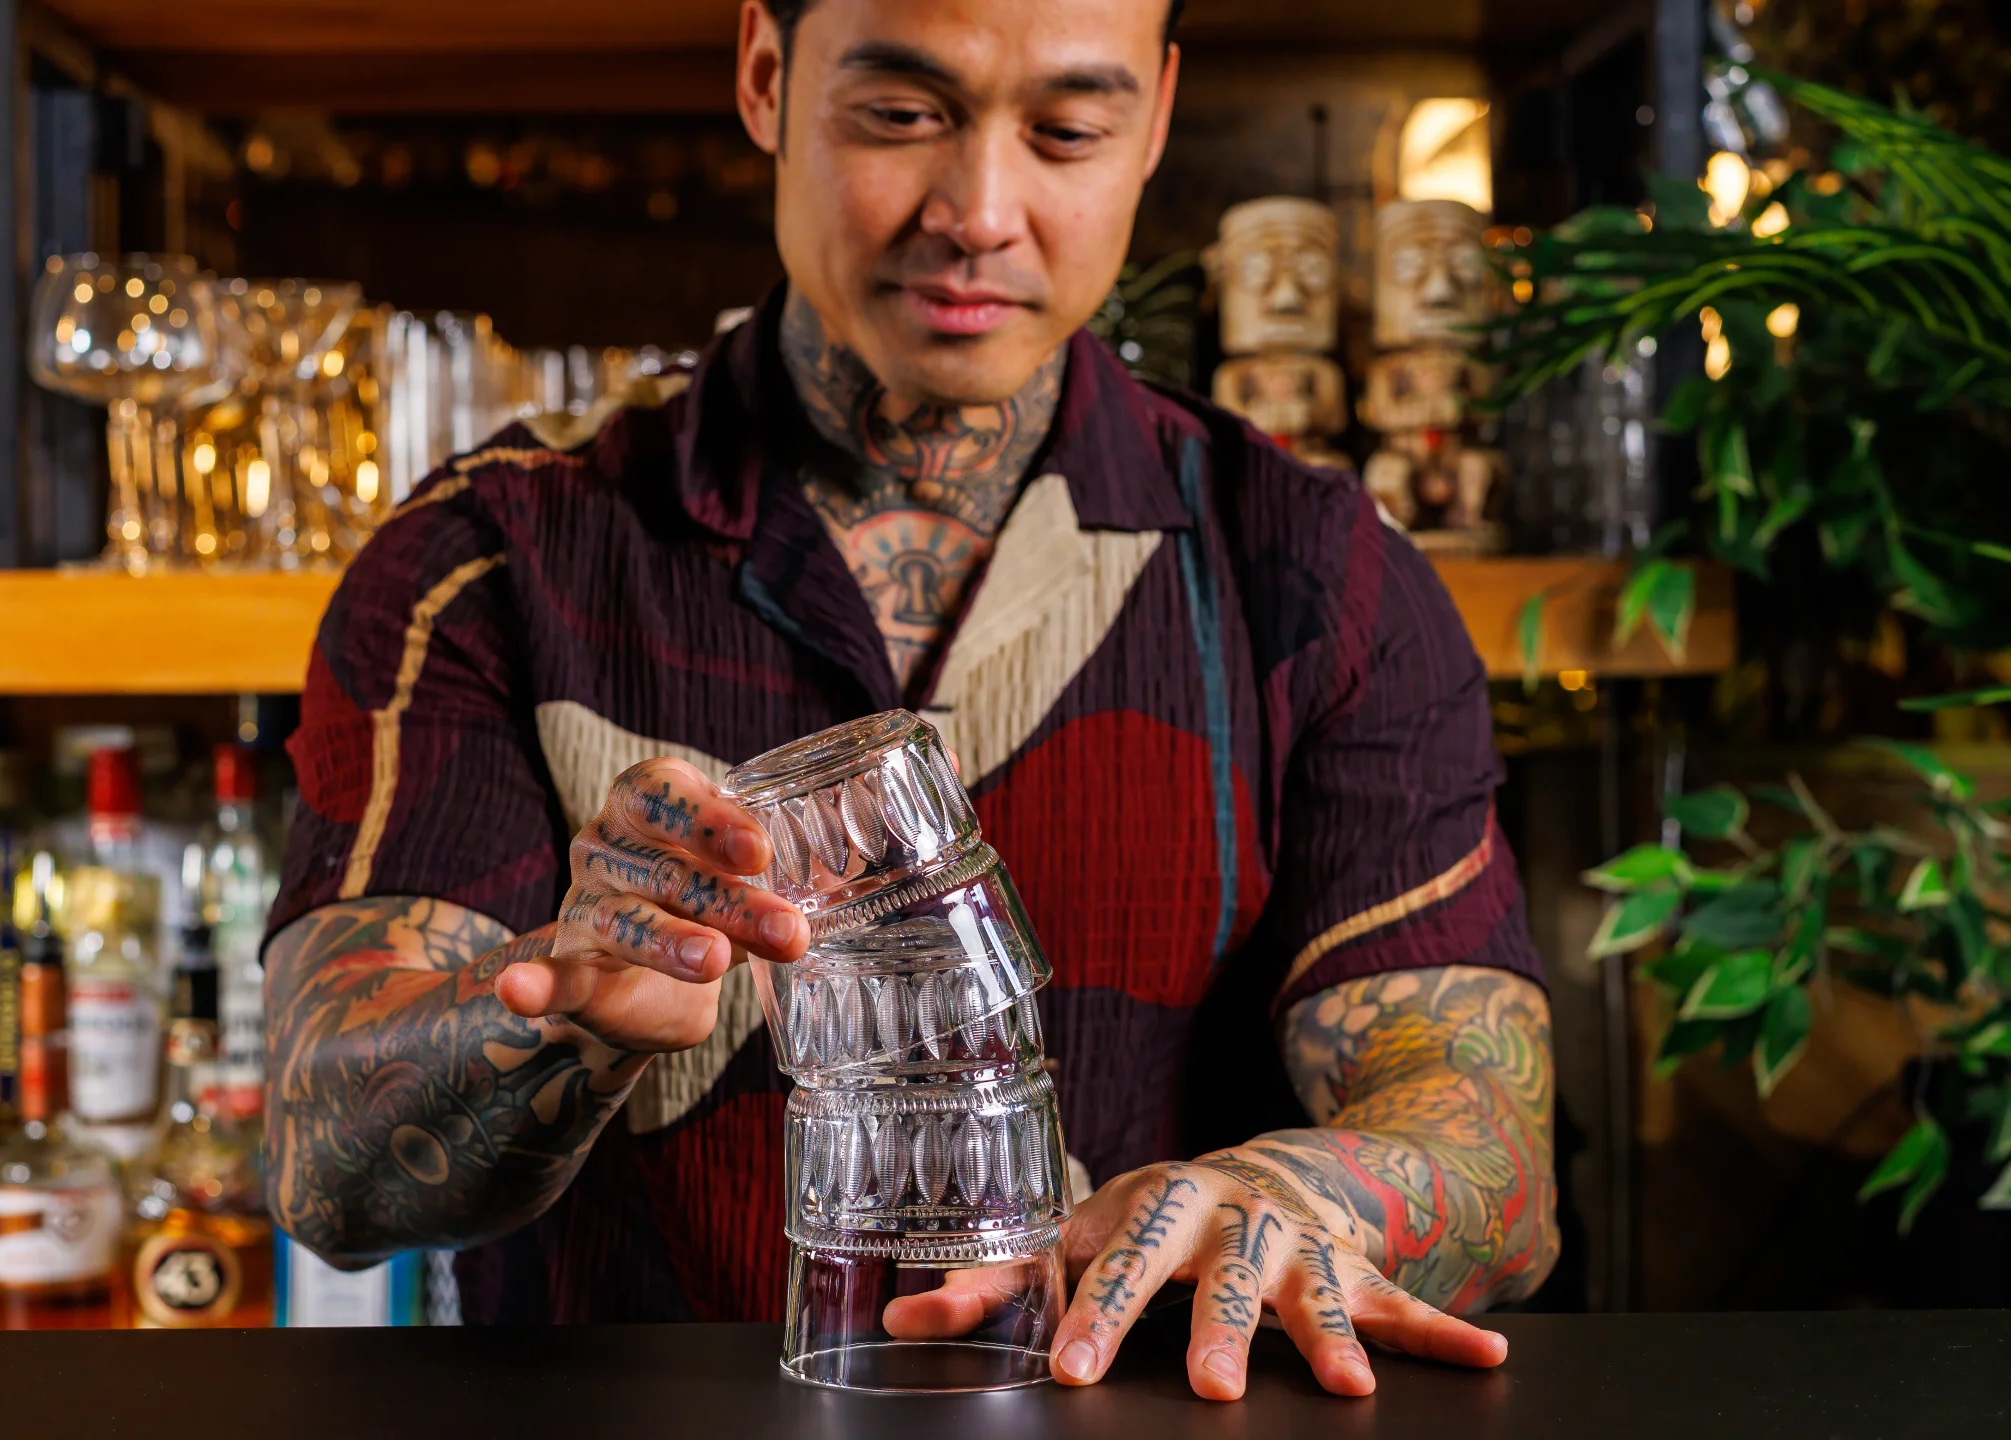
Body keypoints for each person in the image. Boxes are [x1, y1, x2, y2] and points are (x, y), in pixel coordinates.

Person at [264, 0, 1558, 1403]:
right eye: (900, 116)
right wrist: (553, 1021)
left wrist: (1304, 1193)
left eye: (1067, 130)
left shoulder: (1319, 571)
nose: (980, 213)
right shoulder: (491, 558)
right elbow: (326, 1168)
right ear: (765, 76)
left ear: (1155, 121)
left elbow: (1490, 1131)